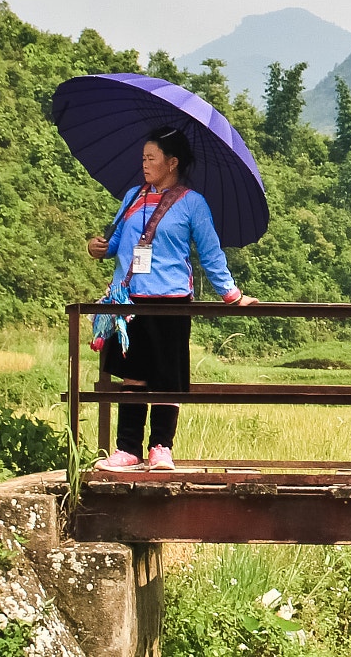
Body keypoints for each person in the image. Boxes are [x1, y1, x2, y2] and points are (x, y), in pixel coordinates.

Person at [86, 127, 258, 471]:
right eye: (143, 158)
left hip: (170, 301)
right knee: (132, 376)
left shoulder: (193, 203)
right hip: (129, 301)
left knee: (166, 376)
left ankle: (161, 448)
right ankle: (128, 450)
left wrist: (231, 295)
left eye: (152, 158)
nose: (145, 164)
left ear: (172, 163)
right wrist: (98, 248)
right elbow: (117, 241)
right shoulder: (134, 196)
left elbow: (210, 253)